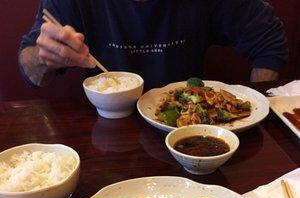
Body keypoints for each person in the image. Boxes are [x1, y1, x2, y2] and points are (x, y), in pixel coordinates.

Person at [19, 0, 288, 90]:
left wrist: (251, 116)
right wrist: (45, 58)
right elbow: (30, 69)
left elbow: (269, 42)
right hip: (106, 126)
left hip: (188, 126)